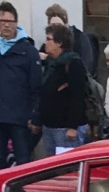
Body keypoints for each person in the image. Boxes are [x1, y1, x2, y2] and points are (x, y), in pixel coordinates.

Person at [0, 1, 41, 170]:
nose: (6, 25)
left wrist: (34, 116)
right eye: (2, 21)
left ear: (16, 23)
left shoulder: (28, 50)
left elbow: (36, 86)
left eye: (10, 21)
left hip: (19, 119)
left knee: (22, 162)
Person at [37, 22, 89, 153]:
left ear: (59, 43)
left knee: (66, 169)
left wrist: (73, 127)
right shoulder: (50, 63)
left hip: (66, 128)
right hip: (49, 126)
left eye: (49, 39)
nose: (45, 43)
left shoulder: (73, 62)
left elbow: (78, 96)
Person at [44, 3, 98, 79]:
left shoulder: (80, 38)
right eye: (52, 26)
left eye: (58, 25)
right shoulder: (47, 43)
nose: (56, 29)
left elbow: (87, 65)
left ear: (66, 24)